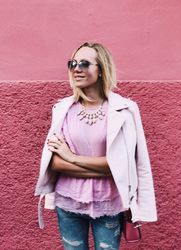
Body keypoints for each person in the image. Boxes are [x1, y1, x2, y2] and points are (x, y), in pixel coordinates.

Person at [34, 42, 157, 250]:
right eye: (72, 63)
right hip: (68, 201)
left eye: (84, 63)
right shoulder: (63, 109)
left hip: (109, 202)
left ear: (101, 69)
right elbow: (55, 163)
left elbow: (123, 166)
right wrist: (104, 167)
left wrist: (72, 157)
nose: (76, 68)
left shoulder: (124, 111)